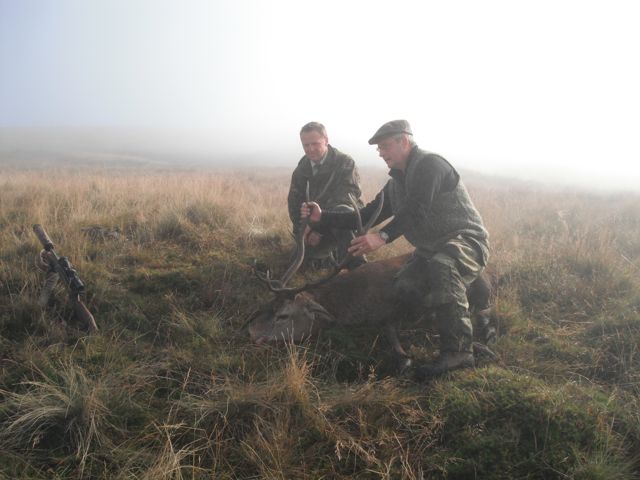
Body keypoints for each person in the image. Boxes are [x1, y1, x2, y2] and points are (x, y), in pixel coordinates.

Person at [301, 120, 489, 379]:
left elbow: (417, 210)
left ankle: (459, 351)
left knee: (443, 266)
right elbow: (366, 214)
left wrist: (383, 236)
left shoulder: (430, 166)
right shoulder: (395, 185)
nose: (382, 153)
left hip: (466, 241)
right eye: (379, 149)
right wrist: (323, 218)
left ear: (404, 141)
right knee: (404, 287)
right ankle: (450, 310)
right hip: (430, 249)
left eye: (386, 146)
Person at [288, 122, 366, 270]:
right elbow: (294, 205)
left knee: (343, 209)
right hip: (312, 227)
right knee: (296, 264)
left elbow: (345, 198)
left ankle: (358, 268)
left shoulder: (344, 162)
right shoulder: (301, 170)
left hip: (341, 222)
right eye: (306, 145)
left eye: (315, 144)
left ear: (326, 140)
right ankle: (328, 257)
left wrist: (319, 229)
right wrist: (304, 229)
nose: (310, 149)